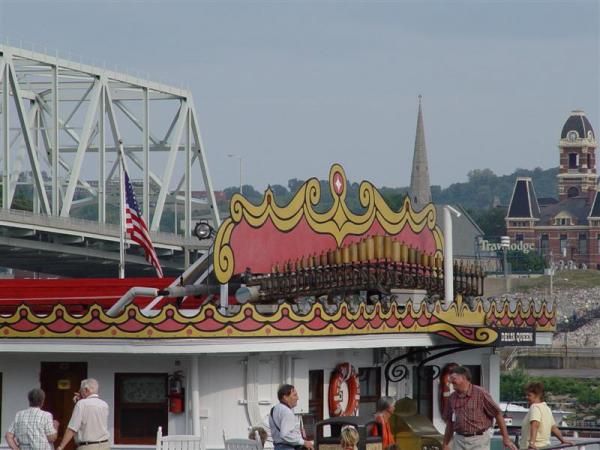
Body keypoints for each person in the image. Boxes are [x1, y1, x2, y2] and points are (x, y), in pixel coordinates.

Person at [442, 366, 516, 450]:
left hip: (478, 439)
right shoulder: (452, 397)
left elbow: (497, 414)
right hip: (459, 439)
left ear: (463, 378)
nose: (450, 381)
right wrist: (445, 444)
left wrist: (506, 438)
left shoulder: (481, 393)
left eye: (453, 378)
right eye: (450, 378)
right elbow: (450, 423)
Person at [55, 379, 109, 450]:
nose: (79, 392)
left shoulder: (81, 404)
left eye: (80, 390)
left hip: (88, 446)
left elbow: (72, 428)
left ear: (86, 390)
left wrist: (61, 447)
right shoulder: (104, 405)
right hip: (104, 445)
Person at [520, 382, 571, 450]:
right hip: (545, 446)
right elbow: (553, 428)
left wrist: (532, 444)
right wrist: (562, 440)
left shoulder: (535, 407)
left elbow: (535, 425)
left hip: (534, 447)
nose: (526, 397)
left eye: (529, 395)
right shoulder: (546, 408)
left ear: (538, 395)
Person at [269, 384, 314, 450]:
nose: (297, 398)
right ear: (285, 397)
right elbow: (285, 435)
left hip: (278, 447)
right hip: (287, 447)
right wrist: (303, 442)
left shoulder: (274, 409)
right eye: (294, 395)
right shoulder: (286, 411)